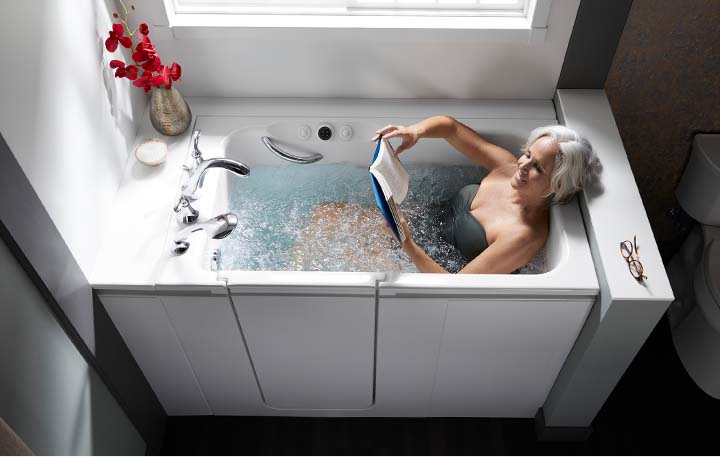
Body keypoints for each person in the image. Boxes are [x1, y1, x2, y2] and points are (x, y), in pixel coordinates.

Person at [371, 116, 601, 274]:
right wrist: (415, 131)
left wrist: (406, 242)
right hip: (416, 224)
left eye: (537, 168)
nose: (522, 165)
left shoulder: (523, 236)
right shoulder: (506, 167)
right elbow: (451, 128)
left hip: (422, 265)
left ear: (556, 185)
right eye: (528, 154)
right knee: (335, 213)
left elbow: (454, 287)